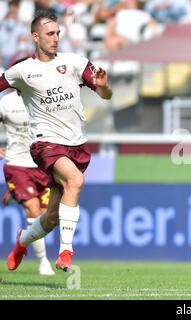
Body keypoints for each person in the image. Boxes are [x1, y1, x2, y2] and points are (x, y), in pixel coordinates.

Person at [0, 10, 112, 273]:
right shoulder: (22, 71)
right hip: (45, 144)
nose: (56, 38)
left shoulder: (74, 62)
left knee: (51, 218)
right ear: (35, 37)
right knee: (76, 181)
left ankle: (21, 242)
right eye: (50, 34)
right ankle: (66, 253)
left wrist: (104, 86)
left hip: (76, 145)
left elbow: (105, 94)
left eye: (58, 33)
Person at [0, 82, 54, 276]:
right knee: (33, 210)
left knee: (48, 218)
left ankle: (22, 236)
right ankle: (44, 262)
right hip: (17, 165)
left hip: (41, 166)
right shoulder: (5, 103)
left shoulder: (44, 99)